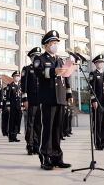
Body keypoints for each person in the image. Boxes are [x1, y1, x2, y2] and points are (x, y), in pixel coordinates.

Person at [34, 30, 72, 170]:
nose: (55, 45)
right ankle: (46, 157)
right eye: (52, 43)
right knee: (48, 128)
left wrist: (69, 94)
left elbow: (66, 77)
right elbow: (39, 72)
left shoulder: (60, 60)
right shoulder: (40, 59)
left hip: (61, 98)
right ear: (45, 45)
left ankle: (57, 157)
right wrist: (53, 72)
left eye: (56, 43)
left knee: (58, 129)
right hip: (49, 98)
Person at [89, 54, 104, 151]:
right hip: (97, 102)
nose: (101, 64)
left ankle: (103, 142)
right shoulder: (93, 74)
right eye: (99, 62)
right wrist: (93, 100)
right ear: (95, 63)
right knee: (97, 123)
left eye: (102, 62)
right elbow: (91, 89)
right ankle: (97, 143)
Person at [21, 47, 42, 155]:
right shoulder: (27, 69)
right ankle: (29, 145)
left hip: (41, 101)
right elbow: (23, 86)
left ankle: (37, 145)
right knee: (30, 123)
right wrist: (25, 99)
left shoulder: (42, 70)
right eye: (34, 57)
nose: (36, 58)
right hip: (31, 100)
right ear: (31, 58)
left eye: (38, 56)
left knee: (39, 124)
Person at [5, 71, 23, 143]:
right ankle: (11, 137)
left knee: (17, 121)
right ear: (13, 77)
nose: (17, 78)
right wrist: (8, 105)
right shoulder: (10, 85)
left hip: (19, 106)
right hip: (12, 106)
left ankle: (15, 136)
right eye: (16, 76)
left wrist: (22, 105)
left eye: (18, 76)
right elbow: (8, 97)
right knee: (11, 121)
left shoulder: (20, 86)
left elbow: (21, 97)